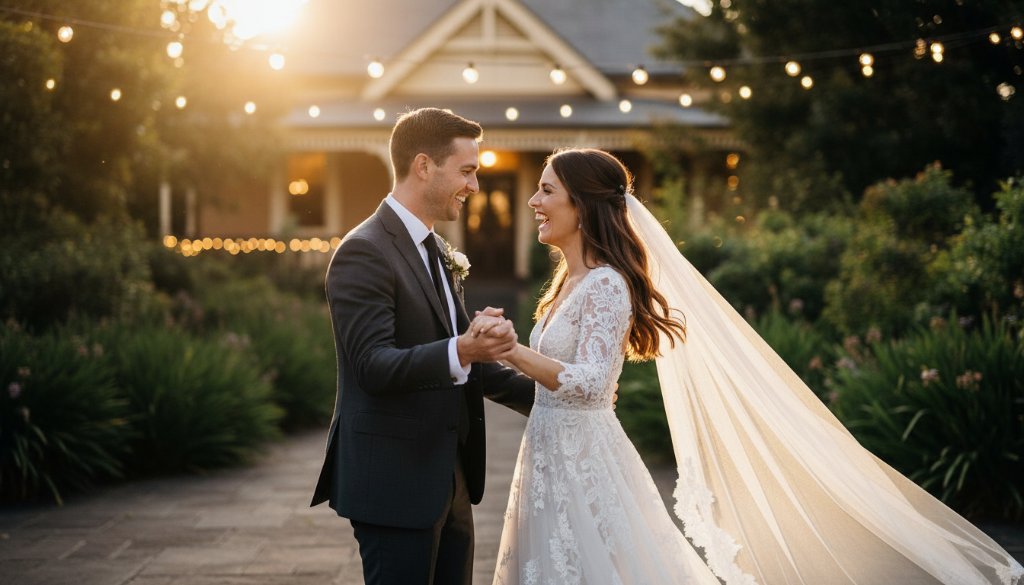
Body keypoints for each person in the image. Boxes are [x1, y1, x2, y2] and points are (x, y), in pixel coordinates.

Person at [481, 148, 1023, 585]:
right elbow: (563, 372)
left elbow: (595, 382)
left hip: (585, 459)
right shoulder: (565, 284)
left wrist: (511, 349)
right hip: (550, 451)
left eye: (546, 189)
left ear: (583, 204)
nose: (533, 200)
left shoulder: (605, 284)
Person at [309, 107, 535, 585]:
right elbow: (373, 365)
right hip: (392, 483)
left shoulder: (435, 249)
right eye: (467, 171)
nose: (474, 186)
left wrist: (560, 398)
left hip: (447, 481)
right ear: (424, 166)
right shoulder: (364, 250)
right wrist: (464, 349)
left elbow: (465, 360)